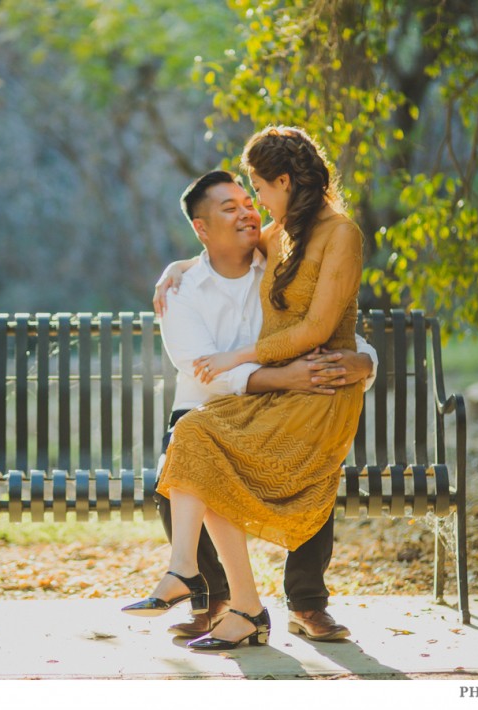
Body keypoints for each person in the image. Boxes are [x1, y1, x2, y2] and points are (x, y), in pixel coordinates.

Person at [122, 126, 366, 651]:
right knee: (190, 443)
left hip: (300, 397)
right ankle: (227, 599)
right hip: (221, 401)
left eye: (253, 193)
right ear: (202, 230)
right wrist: (179, 266)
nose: (252, 209)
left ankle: (288, 601)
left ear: (283, 181)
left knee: (200, 446)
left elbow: (329, 324)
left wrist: (364, 361)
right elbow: (205, 368)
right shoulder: (189, 285)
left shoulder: (281, 244)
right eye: (235, 204)